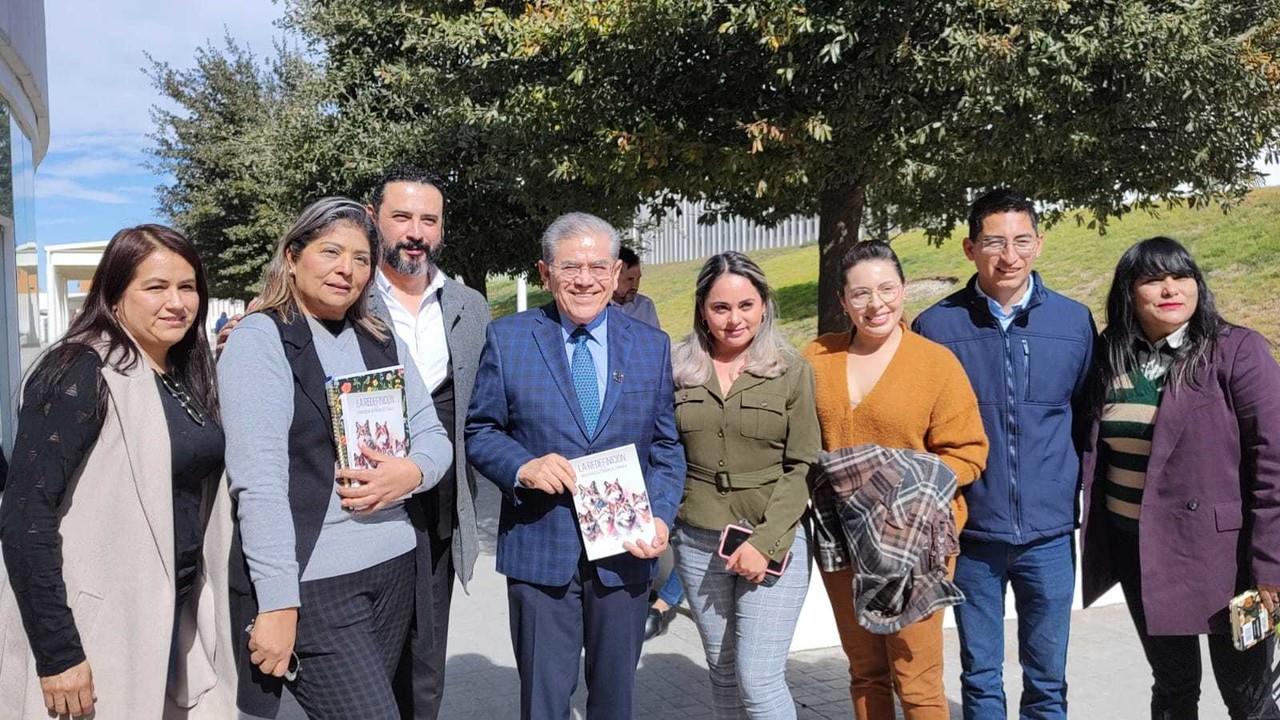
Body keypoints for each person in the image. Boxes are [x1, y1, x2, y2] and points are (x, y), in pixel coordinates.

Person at [219, 197, 452, 719]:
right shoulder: (262, 340)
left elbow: (435, 437)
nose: (347, 269)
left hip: (396, 570)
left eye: (362, 258)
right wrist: (277, 602)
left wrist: (411, 473)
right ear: (293, 256)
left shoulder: (378, 337)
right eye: (330, 252)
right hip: (320, 586)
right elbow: (258, 484)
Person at [0, 224, 236, 718]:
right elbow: (25, 518)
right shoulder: (79, 370)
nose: (177, 302)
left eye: (188, 286)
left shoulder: (179, 372)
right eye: (155, 287)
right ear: (114, 293)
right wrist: (59, 653)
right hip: (96, 631)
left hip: (177, 614)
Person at [465, 211, 685, 719]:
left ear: (614, 273)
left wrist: (661, 517)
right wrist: (523, 467)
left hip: (624, 554)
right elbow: (481, 431)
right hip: (542, 553)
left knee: (614, 702)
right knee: (544, 704)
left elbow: (666, 448)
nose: (584, 279)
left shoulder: (651, 346)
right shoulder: (510, 338)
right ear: (545, 273)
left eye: (596, 267)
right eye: (570, 267)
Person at [912, 189, 1094, 720]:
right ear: (970, 248)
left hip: (1049, 535)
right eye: (994, 242)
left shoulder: (1073, 322)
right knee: (980, 676)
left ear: (1038, 244)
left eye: (1020, 241)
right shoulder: (936, 327)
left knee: (1047, 680)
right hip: (971, 533)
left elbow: (1084, 420)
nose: (1008, 256)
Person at [1080, 237, 1280, 719]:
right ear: (1129, 292)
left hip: (1227, 559)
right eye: (1153, 279)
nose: (1170, 289)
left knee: (1248, 695)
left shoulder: (1235, 350)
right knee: (1172, 685)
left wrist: (1270, 569)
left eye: (1181, 276)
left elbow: (1273, 463)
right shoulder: (1109, 356)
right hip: (1140, 551)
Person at [805, 241, 988, 719]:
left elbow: (969, 453)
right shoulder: (817, 359)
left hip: (914, 543)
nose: (876, 304)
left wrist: (898, 482)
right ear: (843, 301)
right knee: (865, 671)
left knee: (917, 680)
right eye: (860, 294)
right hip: (842, 539)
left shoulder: (934, 364)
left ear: (904, 290)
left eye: (886, 289)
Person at [363, 166, 490, 719]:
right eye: (401, 217)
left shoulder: (469, 306)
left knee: (426, 659)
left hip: (438, 508)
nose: (415, 231)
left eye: (428, 220)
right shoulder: (346, 297)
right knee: (365, 655)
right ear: (373, 220)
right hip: (362, 507)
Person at [670, 251, 820, 718]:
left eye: (746, 305)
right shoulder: (676, 368)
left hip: (773, 537)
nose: (735, 319)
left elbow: (802, 465)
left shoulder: (790, 369)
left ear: (763, 305)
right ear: (702, 309)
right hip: (697, 538)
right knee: (723, 670)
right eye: (721, 308)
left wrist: (767, 543)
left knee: (758, 679)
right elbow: (663, 449)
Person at [613, 246, 661, 328]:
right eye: (629, 279)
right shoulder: (597, 307)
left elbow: (655, 339)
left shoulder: (645, 305)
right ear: (613, 276)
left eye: (638, 279)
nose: (635, 285)